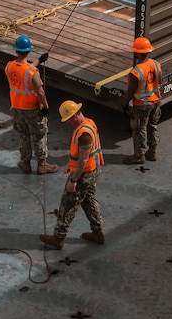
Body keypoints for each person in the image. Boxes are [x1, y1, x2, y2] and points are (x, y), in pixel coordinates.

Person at [39, 101, 105, 250]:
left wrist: (74, 180)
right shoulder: (88, 123)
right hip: (92, 171)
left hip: (84, 174)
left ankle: (58, 237)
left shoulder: (84, 134)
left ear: (74, 115)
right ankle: (97, 232)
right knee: (88, 201)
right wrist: (71, 163)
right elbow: (82, 155)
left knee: (68, 204)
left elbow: (83, 160)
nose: (68, 122)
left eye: (68, 119)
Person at [6, 35, 57, 174]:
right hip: (32, 109)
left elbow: (23, 69)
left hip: (17, 108)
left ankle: (25, 163)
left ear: (16, 51)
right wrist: (46, 106)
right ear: (28, 51)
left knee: (24, 135)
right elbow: (40, 92)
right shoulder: (33, 73)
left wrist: (39, 61)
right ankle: (42, 165)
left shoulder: (9, 67)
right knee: (39, 135)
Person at [123, 36, 164, 164]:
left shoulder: (136, 72)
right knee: (152, 126)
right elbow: (160, 80)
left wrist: (124, 103)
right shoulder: (156, 65)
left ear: (136, 53)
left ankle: (139, 155)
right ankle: (152, 151)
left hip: (141, 105)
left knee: (139, 129)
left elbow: (130, 91)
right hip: (155, 102)